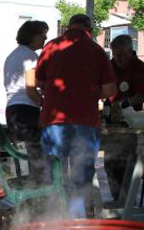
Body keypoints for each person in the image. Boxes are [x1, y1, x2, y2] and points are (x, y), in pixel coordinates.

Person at [36, 14, 116, 217]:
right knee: (81, 176)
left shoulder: (51, 47)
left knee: (54, 174)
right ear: (89, 29)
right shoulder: (97, 50)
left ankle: (53, 220)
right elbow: (109, 90)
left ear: (68, 27)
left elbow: (38, 81)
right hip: (85, 121)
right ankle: (76, 224)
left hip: (54, 121)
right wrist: (88, 92)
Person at [103, 34, 144, 203]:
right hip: (111, 122)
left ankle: (126, 202)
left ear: (131, 51)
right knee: (109, 163)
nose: (118, 59)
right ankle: (117, 200)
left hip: (131, 124)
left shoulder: (140, 68)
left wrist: (123, 105)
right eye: (115, 55)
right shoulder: (110, 66)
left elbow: (142, 96)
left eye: (121, 55)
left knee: (127, 164)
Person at [3, 20, 49, 183]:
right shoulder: (30, 56)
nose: (45, 38)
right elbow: (30, 88)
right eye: (42, 34)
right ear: (32, 36)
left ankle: (20, 188)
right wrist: (41, 102)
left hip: (12, 108)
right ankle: (36, 192)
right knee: (33, 154)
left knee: (20, 153)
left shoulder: (12, 55)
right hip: (26, 110)